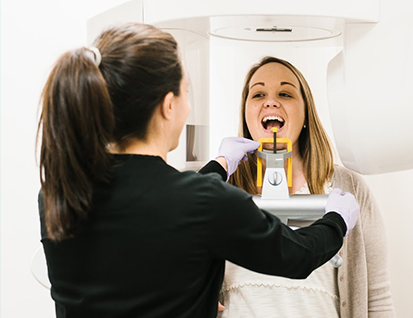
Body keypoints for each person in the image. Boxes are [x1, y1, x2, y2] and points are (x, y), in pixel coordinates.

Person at [36, 23, 360, 318]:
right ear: (169, 105)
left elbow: (166, 209)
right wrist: (336, 220)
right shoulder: (203, 201)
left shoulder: (59, 192)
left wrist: (219, 166)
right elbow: (296, 256)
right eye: (186, 91)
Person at [221, 56, 395, 317]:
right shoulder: (219, 192)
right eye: (257, 94)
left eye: (285, 93)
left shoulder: (348, 189)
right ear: (245, 114)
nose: (270, 101)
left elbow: (377, 298)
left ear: (305, 114)